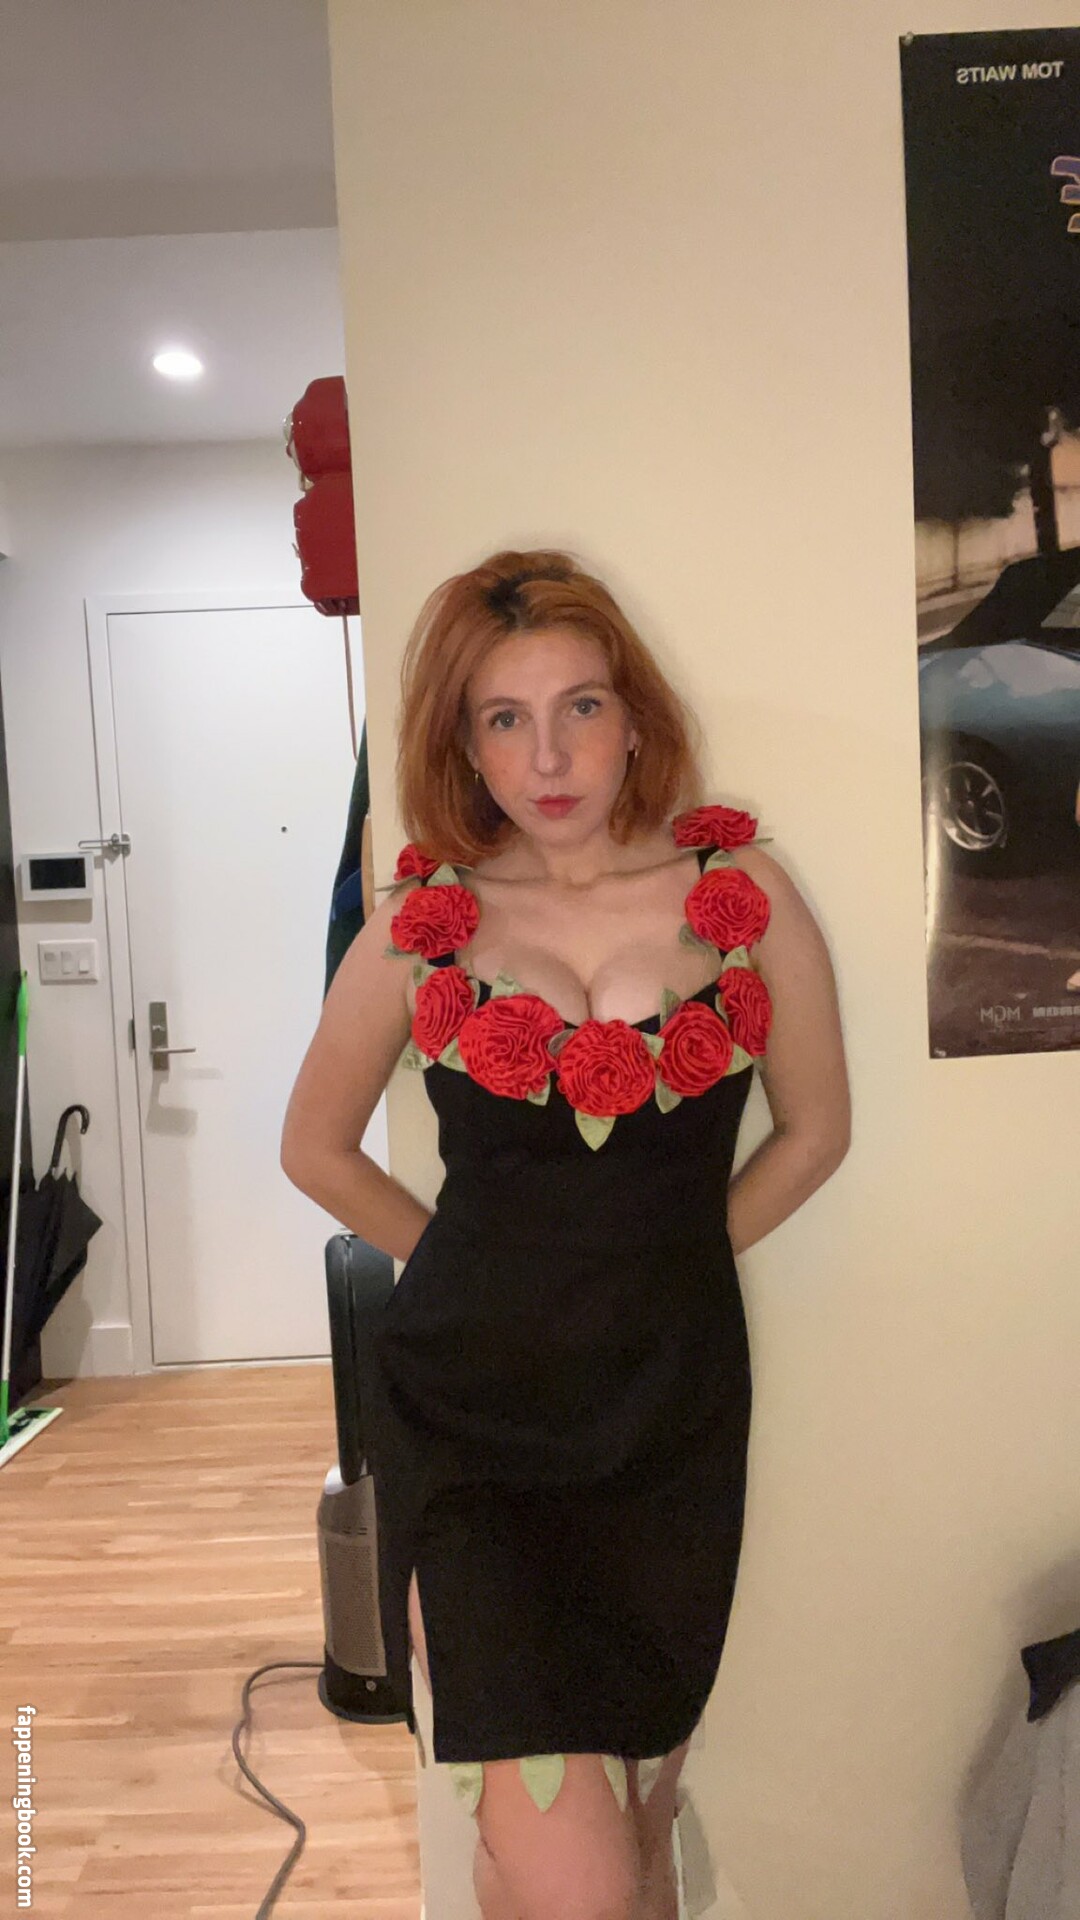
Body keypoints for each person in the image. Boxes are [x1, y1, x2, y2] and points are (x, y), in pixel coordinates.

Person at [281, 549, 851, 1920]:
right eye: (505, 718)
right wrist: (463, 1261)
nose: (549, 756)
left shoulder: (743, 895)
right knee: (577, 1881)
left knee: (638, 1840)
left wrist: (667, 1259)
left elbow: (817, 1131)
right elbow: (313, 1147)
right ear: (465, 744)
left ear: (634, 717)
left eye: (580, 707)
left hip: (666, 1413)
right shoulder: (424, 927)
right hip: (469, 1424)